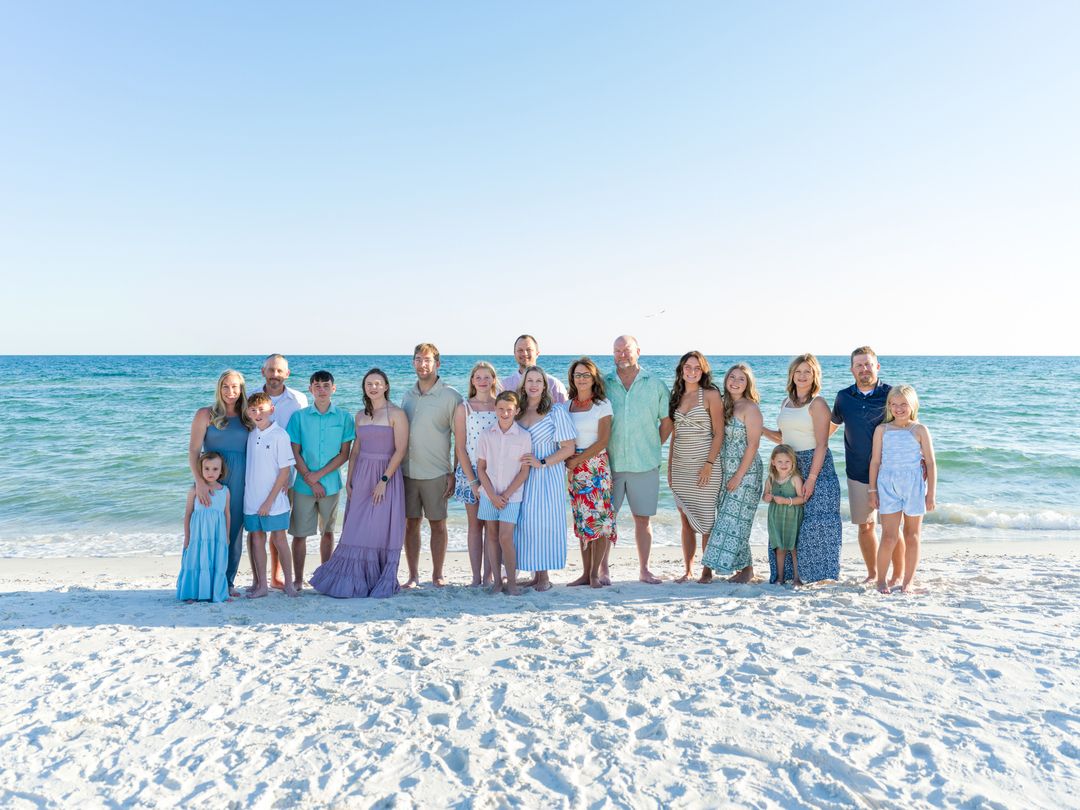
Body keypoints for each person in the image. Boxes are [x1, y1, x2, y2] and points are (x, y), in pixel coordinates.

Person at [311, 369, 409, 598]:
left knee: (378, 529)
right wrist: (349, 479)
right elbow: (355, 451)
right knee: (355, 529)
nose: (373, 387)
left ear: (386, 386)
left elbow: (400, 450)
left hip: (386, 475)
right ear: (364, 388)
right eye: (368, 384)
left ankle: (377, 578)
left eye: (377, 383)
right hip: (362, 476)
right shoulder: (360, 415)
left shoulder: (397, 414)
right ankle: (351, 578)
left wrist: (384, 479)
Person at [762, 354, 843, 584]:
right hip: (788, 465)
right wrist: (761, 430)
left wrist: (812, 478)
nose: (802, 375)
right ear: (792, 375)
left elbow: (822, 443)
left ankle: (815, 575)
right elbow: (783, 438)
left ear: (815, 375)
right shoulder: (785, 402)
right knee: (790, 520)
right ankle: (787, 575)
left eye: (808, 371)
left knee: (816, 522)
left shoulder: (817, 403)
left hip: (816, 465)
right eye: (798, 371)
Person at [830, 346, 903, 585]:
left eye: (868, 364)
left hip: (891, 473)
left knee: (893, 530)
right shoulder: (843, 397)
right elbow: (830, 429)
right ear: (852, 369)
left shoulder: (892, 394)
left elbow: (909, 427)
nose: (864, 369)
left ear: (877, 367)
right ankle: (872, 573)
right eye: (859, 365)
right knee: (865, 526)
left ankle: (897, 575)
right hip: (857, 472)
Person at [604, 335, 672, 584]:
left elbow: (667, 420)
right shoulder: (604, 383)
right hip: (610, 465)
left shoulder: (655, 384)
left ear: (638, 351)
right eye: (617, 350)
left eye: (627, 349)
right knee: (606, 520)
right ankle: (603, 570)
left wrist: (653, 444)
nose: (622, 354)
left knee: (642, 519)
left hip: (645, 463)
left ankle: (644, 569)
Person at [284, 371, 355, 592]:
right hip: (303, 486)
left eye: (326, 385)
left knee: (328, 532)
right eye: (317, 386)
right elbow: (293, 451)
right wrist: (310, 478)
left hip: (331, 485)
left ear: (333, 388)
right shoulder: (299, 417)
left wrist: (319, 476)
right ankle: (297, 579)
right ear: (310, 389)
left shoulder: (344, 417)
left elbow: (345, 454)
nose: (321, 389)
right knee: (299, 534)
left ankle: (325, 575)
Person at [400, 343, 463, 587]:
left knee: (438, 524)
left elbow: (460, 439)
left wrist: (454, 472)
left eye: (427, 360)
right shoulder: (408, 395)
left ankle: (437, 574)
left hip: (437, 472)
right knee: (411, 524)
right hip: (407, 472)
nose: (422, 364)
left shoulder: (451, 396)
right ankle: (413, 575)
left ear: (437, 363)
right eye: (418, 359)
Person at [187, 370, 253, 596]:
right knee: (204, 529)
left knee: (233, 530)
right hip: (211, 478)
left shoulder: (248, 417)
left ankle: (227, 581)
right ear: (219, 388)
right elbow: (194, 450)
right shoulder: (205, 414)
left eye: (235, 387)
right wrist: (199, 483)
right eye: (226, 386)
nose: (230, 392)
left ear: (241, 389)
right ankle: (200, 580)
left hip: (242, 479)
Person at [869, 384, 937, 594]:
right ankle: (881, 580)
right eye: (894, 404)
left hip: (914, 485)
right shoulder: (882, 430)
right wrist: (872, 491)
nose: (898, 408)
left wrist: (930, 493)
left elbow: (931, 463)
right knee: (888, 536)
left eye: (903, 404)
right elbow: (875, 462)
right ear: (889, 405)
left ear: (913, 405)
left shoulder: (919, 430)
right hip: (888, 484)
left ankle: (908, 581)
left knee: (912, 535)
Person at [700, 363, 764, 584]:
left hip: (746, 473)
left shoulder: (750, 408)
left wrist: (738, 476)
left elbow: (753, 445)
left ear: (748, 384)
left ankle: (726, 570)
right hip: (725, 471)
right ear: (726, 380)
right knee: (734, 521)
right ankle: (746, 569)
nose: (736, 382)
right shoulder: (725, 405)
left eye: (741, 379)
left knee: (733, 521)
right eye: (732, 377)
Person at [515, 366, 577, 591]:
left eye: (538, 381)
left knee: (544, 523)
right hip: (522, 476)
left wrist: (542, 462)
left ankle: (544, 577)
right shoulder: (518, 412)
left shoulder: (555, 412)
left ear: (545, 385)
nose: (533, 385)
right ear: (523, 384)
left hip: (547, 475)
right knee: (525, 524)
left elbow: (569, 447)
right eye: (529, 380)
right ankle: (534, 573)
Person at [668, 351, 725, 583]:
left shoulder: (710, 395)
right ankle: (688, 569)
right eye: (688, 367)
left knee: (706, 520)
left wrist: (709, 464)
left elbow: (719, 433)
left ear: (703, 371)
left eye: (697, 368)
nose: (692, 372)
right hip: (681, 466)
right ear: (682, 370)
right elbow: (674, 435)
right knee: (685, 520)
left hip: (705, 465)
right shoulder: (676, 396)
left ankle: (707, 569)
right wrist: (670, 468)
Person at [564, 357, 617, 589]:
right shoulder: (567, 405)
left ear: (594, 378)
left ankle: (595, 573)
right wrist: (569, 462)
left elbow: (603, 440)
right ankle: (585, 573)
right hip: (574, 467)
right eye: (578, 375)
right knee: (582, 520)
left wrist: (578, 460)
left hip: (595, 466)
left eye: (586, 374)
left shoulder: (602, 404)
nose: (582, 378)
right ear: (572, 379)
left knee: (600, 521)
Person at [476, 390, 533, 596]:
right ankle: (497, 582)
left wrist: (506, 495)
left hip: (512, 497)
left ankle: (512, 582)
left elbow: (524, 471)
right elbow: (481, 468)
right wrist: (491, 495)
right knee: (491, 535)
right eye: (501, 409)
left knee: (505, 537)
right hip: (489, 495)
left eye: (509, 409)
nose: (505, 413)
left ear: (516, 410)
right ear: (495, 409)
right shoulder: (486, 435)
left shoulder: (524, 436)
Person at [243, 392, 297, 598]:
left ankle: (289, 584)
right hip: (252, 499)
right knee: (256, 539)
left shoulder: (280, 435)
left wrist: (269, 501)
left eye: (262, 409)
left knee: (280, 539)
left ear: (271, 410)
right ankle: (262, 585)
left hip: (274, 501)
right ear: (248, 412)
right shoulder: (251, 434)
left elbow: (284, 471)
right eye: (253, 410)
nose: (258, 413)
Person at [261, 354, 309, 589]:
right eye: (271, 370)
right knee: (260, 528)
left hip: (288, 473)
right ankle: (267, 577)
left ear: (287, 374)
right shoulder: (251, 398)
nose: (275, 375)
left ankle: (279, 576)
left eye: (279, 371)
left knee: (280, 526)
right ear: (263, 371)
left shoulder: (299, 400)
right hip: (258, 474)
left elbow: (304, 437)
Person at [453, 361, 500, 586]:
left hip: (495, 474)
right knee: (475, 526)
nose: (482, 381)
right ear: (472, 381)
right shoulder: (464, 408)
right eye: (478, 377)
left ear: (493, 379)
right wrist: (472, 481)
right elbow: (460, 447)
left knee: (492, 526)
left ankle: (489, 576)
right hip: (470, 471)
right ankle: (475, 577)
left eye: (486, 377)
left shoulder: (500, 406)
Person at [176, 451, 231, 603]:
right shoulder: (194, 490)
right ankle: (191, 594)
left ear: (221, 470)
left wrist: (226, 536)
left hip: (217, 536)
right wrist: (187, 537)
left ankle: (218, 594)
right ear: (200, 469)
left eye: (215, 469)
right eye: (206, 468)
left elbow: (227, 514)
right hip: (197, 536)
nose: (210, 472)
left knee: (216, 562)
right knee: (194, 562)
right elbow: (188, 514)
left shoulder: (225, 491)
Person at [762, 445, 805, 587]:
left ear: (793, 462)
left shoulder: (795, 478)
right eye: (780, 462)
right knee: (779, 547)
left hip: (792, 516)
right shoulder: (771, 479)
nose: (784, 465)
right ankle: (780, 578)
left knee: (793, 547)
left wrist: (786, 501)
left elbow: (802, 498)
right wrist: (767, 497)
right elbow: (765, 496)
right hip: (776, 517)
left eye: (787, 461)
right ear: (773, 462)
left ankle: (797, 578)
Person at [501, 335, 568, 403]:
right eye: (520, 350)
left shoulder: (554, 384)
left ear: (537, 353)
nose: (524, 353)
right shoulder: (505, 385)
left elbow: (564, 411)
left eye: (529, 350)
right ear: (514, 354)